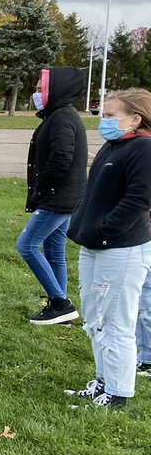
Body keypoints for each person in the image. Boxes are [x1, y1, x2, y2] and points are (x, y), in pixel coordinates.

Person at [65, 89, 151, 409]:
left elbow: (139, 199)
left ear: (134, 119)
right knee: (96, 318)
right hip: (94, 246)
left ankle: (118, 392)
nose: (104, 120)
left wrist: (106, 229)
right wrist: (82, 222)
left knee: (116, 322)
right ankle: (103, 381)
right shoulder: (113, 146)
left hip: (121, 250)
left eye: (111, 115)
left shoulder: (142, 149)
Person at [18, 67, 87, 325]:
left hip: (59, 198)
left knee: (26, 245)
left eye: (40, 89)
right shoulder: (57, 115)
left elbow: (61, 158)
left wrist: (42, 190)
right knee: (55, 250)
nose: (36, 93)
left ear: (54, 90)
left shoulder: (62, 118)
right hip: (64, 197)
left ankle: (60, 302)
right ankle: (60, 304)